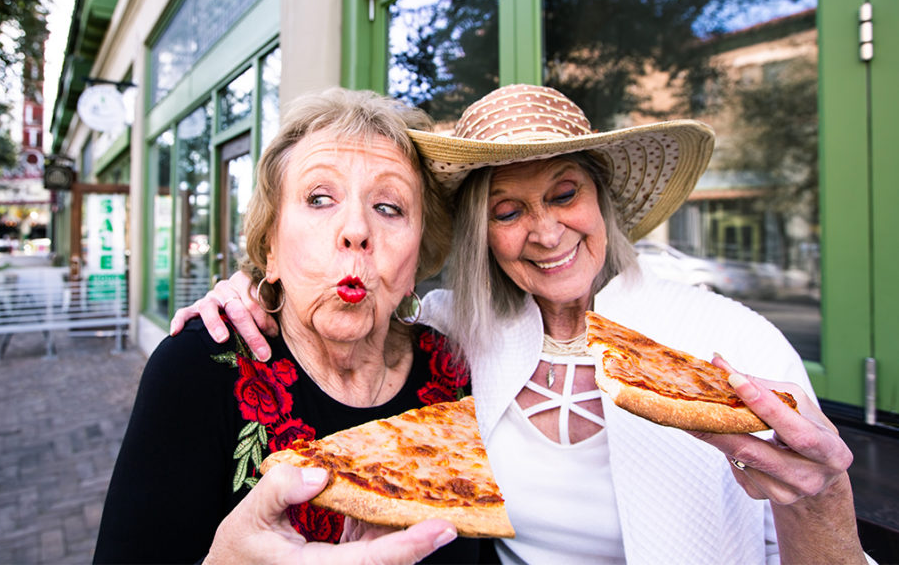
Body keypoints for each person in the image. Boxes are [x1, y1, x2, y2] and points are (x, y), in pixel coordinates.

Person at [173, 84, 867, 564]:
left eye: (564, 193)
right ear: (483, 234)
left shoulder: (729, 344)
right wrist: (249, 290)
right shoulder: (454, 338)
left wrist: (824, 497)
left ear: (602, 201)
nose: (544, 231)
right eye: (508, 211)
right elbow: (355, 301)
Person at [94, 88, 491, 564]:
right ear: (270, 250)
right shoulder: (200, 367)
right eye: (320, 198)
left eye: (389, 207)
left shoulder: (455, 370)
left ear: (417, 260)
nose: (357, 229)